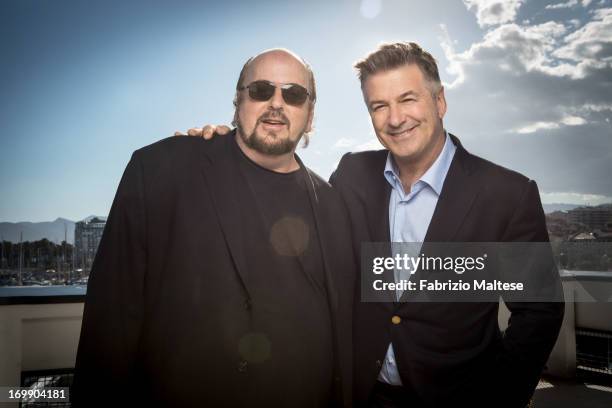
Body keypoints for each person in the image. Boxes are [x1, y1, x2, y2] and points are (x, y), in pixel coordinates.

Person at [183, 42, 565, 408]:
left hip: (458, 397)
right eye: (379, 105)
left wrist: (499, 399)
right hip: (363, 395)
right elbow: (292, 219)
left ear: (440, 100)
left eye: (407, 99)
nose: (395, 119)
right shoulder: (353, 174)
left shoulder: (507, 193)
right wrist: (230, 149)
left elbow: (540, 310)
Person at [71, 49, 355, 407]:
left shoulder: (333, 203)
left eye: (293, 94)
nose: (276, 103)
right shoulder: (161, 169)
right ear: (238, 101)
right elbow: (111, 322)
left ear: (310, 114)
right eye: (261, 90)